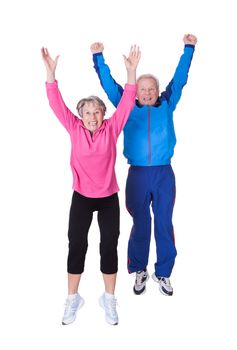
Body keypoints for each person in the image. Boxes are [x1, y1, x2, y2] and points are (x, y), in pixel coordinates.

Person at [90, 34, 197, 296]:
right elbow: (109, 85)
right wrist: (98, 58)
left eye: (151, 88)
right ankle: (139, 269)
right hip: (137, 175)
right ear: (135, 92)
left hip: (163, 174)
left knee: (163, 222)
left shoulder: (167, 103)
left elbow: (180, 79)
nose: (147, 92)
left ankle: (163, 272)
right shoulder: (126, 106)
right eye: (142, 89)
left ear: (158, 91)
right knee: (141, 223)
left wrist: (189, 49)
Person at [41, 45, 140, 325]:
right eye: (87, 113)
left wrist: (131, 72)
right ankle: (73, 299)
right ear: (81, 116)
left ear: (103, 114)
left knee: (109, 246)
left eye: (97, 112)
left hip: (108, 197)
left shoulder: (112, 127)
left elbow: (128, 101)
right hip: (82, 197)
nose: (93, 117)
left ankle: (109, 299)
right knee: (77, 245)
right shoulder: (74, 128)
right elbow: (55, 102)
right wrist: (50, 73)